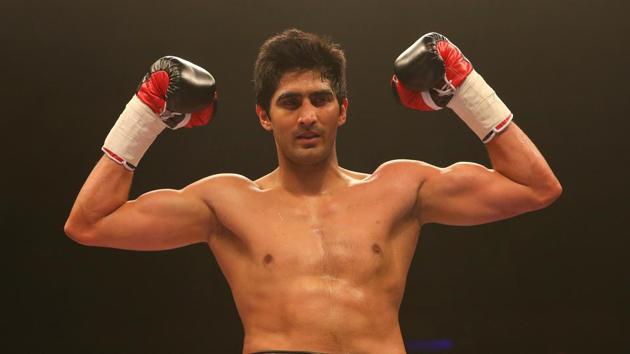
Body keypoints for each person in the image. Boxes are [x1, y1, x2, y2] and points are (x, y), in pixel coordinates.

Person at [65, 29, 562, 354]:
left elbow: (535, 186)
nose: (307, 115)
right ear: (265, 115)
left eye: (321, 99)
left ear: (342, 109)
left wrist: (466, 88)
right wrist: (146, 114)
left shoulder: (400, 187)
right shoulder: (226, 202)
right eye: (290, 102)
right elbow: (90, 223)